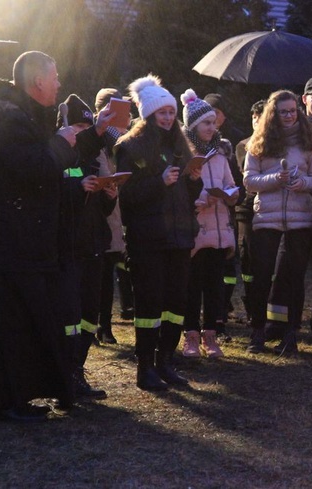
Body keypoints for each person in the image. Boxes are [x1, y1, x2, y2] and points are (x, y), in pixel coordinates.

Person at [0, 51, 81, 420]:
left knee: (18, 324)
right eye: (54, 77)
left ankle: (13, 399)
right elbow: (33, 169)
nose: (58, 84)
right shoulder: (10, 121)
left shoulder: (17, 115)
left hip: (15, 244)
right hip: (10, 245)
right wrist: (61, 142)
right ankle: (9, 402)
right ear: (38, 81)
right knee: (11, 326)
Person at [115, 74, 203, 391]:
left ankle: (166, 361)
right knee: (149, 306)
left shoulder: (180, 145)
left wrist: (194, 181)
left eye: (170, 113)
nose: (167, 118)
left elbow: (187, 195)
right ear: (148, 115)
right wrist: (159, 182)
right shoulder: (129, 147)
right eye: (161, 113)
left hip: (179, 239)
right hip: (148, 241)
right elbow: (126, 196)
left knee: (176, 304)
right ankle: (145, 367)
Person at [243, 90, 312, 355]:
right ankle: (257, 332)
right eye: (283, 111)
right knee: (262, 276)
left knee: (295, 278)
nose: (289, 116)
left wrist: (303, 184)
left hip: (301, 218)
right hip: (266, 217)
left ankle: (291, 335)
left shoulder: (308, 141)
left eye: (292, 111)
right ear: (272, 114)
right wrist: (276, 178)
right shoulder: (259, 141)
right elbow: (249, 181)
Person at [56, 94, 116, 400]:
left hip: (94, 246)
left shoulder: (94, 161)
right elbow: (56, 202)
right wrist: (80, 188)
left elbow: (99, 211)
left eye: (86, 125)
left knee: (90, 316)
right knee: (69, 319)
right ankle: (62, 380)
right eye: (78, 125)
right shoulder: (59, 161)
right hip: (69, 251)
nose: (83, 130)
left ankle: (77, 373)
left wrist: (109, 195)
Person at [180, 89, 238, 359]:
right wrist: (200, 200)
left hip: (218, 232)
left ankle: (211, 336)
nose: (211, 127)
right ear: (192, 126)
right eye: (206, 123)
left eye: (213, 123)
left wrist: (230, 195)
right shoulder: (184, 155)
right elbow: (180, 192)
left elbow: (231, 185)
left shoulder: (220, 155)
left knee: (214, 287)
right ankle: (190, 336)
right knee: (191, 286)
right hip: (195, 233)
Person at [95, 87, 134, 344]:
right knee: (96, 276)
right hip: (100, 217)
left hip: (119, 215)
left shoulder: (126, 143)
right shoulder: (97, 143)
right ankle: (95, 325)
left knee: (108, 275)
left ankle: (105, 326)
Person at [205, 92, 246, 330]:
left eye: (216, 114)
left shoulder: (232, 144)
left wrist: (231, 193)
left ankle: (221, 308)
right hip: (202, 217)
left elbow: (236, 180)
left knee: (226, 266)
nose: (211, 120)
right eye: (207, 116)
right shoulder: (190, 145)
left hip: (225, 214)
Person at [233, 99, 265, 325]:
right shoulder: (242, 145)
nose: (257, 122)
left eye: (262, 118)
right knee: (248, 259)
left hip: (266, 210)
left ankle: (266, 310)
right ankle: (251, 307)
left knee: (265, 262)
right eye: (254, 118)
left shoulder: (278, 145)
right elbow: (244, 173)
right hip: (245, 210)